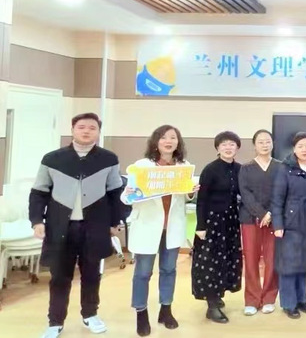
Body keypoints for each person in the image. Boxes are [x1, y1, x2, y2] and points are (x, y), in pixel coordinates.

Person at [30, 113, 124, 338]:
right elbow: (39, 192)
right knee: (59, 276)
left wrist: (114, 222)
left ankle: (90, 314)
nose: (86, 131)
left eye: (92, 127)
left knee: (92, 274)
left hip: (95, 226)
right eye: (81, 127)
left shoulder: (108, 158)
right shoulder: (53, 158)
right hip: (60, 227)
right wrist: (36, 221)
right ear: (72, 130)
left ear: (98, 132)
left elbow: (116, 193)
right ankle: (55, 321)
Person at [122, 125, 198, 336]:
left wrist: (191, 192)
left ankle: (166, 310)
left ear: (178, 142)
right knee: (143, 273)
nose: (168, 141)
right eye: (164, 137)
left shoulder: (183, 167)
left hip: (172, 227)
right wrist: (129, 192)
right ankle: (141, 313)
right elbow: (127, 198)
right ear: (156, 142)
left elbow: (184, 197)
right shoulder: (142, 166)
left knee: (169, 270)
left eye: (173, 137)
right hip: (147, 227)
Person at [191, 131, 243, 324]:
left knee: (227, 261)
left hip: (231, 222)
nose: (228, 147)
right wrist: (201, 226)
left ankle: (217, 295)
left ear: (237, 148)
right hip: (212, 223)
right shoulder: (210, 169)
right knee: (210, 263)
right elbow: (201, 200)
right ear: (217, 148)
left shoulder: (240, 169)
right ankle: (211, 305)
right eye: (224, 144)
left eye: (232, 144)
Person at [272, 132, 306, 319]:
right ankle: (288, 303)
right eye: (300, 146)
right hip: (290, 224)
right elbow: (277, 199)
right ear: (294, 148)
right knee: (289, 265)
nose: (304, 149)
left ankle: (302, 300)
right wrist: (278, 224)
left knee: (304, 264)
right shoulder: (285, 169)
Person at [238, 130, 281, 315]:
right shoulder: (245, 168)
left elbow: (281, 192)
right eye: (261, 142)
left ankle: (269, 297)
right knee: (251, 259)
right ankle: (252, 299)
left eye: (268, 141)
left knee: (272, 259)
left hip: (274, 220)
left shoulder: (280, 167)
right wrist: (262, 213)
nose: (265, 145)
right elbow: (245, 194)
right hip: (250, 219)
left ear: (272, 144)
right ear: (254, 145)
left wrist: (270, 214)